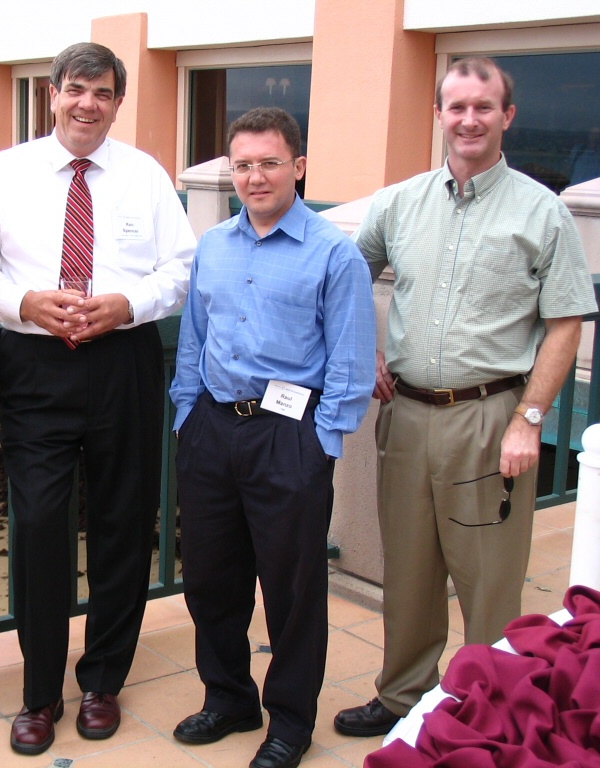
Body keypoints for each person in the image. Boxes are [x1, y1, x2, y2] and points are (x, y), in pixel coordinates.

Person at [333, 57, 598, 739]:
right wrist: (365, 355)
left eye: (484, 107)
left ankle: (490, 709)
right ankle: (403, 697)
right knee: (409, 570)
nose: (469, 119)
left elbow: (565, 322)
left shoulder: (541, 211)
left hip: (491, 418)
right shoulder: (399, 203)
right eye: (457, 107)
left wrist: (528, 420)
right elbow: (343, 281)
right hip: (405, 415)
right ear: (439, 115)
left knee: (488, 579)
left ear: (507, 116)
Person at [0, 42, 196, 755]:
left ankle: (102, 680)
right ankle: (40, 692)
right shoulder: (5, 174)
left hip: (123, 360)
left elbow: (181, 268)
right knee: (38, 526)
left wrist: (129, 305)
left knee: (123, 523)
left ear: (117, 103)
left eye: (102, 92)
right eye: (76, 89)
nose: (87, 104)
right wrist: (25, 303)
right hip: (36, 364)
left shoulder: (145, 175)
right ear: (53, 94)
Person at [169, 107, 376, 768]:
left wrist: (322, 444)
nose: (255, 177)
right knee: (210, 580)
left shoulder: (334, 254)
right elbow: (194, 338)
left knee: (292, 591)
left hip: (290, 437)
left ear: (299, 167)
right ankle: (229, 697)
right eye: (243, 165)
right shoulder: (213, 246)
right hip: (212, 428)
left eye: (269, 163)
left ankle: (289, 720)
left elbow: (349, 361)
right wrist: (187, 416)